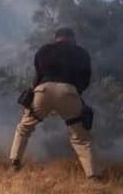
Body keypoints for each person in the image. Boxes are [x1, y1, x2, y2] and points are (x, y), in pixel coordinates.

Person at [9, 27, 99, 179]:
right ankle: (93, 176)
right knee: (81, 138)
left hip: (43, 90)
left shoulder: (44, 50)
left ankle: (14, 163)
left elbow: (37, 76)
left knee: (24, 127)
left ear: (56, 37)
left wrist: (35, 93)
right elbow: (86, 79)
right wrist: (76, 93)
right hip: (68, 91)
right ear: (72, 38)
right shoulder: (81, 52)